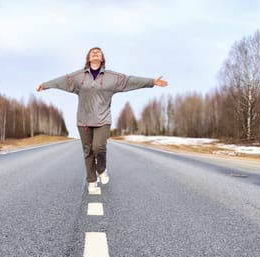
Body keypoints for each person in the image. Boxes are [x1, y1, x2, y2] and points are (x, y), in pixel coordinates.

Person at [37, 47, 168, 193]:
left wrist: (152, 82)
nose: (95, 53)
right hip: (83, 120)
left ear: (102, 58)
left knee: (98, 147)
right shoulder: (78, 77)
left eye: (98, 52)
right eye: (92, 52)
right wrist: (46, 85)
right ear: (88, 58)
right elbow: (62, 81)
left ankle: (101, 169)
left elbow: (130, 81)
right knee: (88, 151)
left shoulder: (112, 78)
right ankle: (92, 181)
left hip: (103, 119)